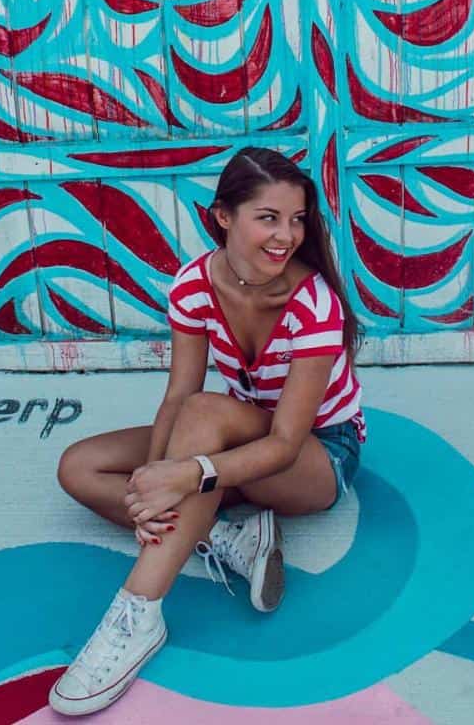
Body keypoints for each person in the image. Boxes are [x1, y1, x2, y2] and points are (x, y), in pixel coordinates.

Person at [49, 147, 364, 716]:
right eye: (267, 217)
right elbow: (175, 393)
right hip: (231, 444)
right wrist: (153, 482)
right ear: (224, 216)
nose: (285, 236)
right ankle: (226, 537)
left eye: (296, 220)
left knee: (205, 413)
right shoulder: (194, 284)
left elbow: (286, 442)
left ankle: (135, 614)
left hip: (316, 459)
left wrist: (185, 474)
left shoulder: (312, 304)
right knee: (80, 466)